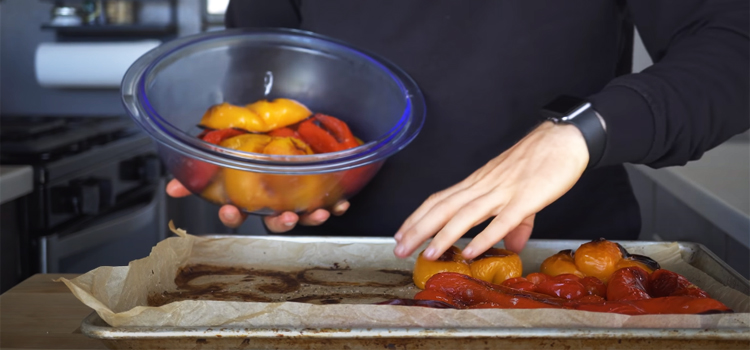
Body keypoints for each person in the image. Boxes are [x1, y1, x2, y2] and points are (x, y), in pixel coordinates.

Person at [168, 0, 749, 262]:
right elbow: (267, 78)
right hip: (333, 273)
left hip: (556, 269)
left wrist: (581, 131)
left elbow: (736, 45)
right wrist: (279, 182)